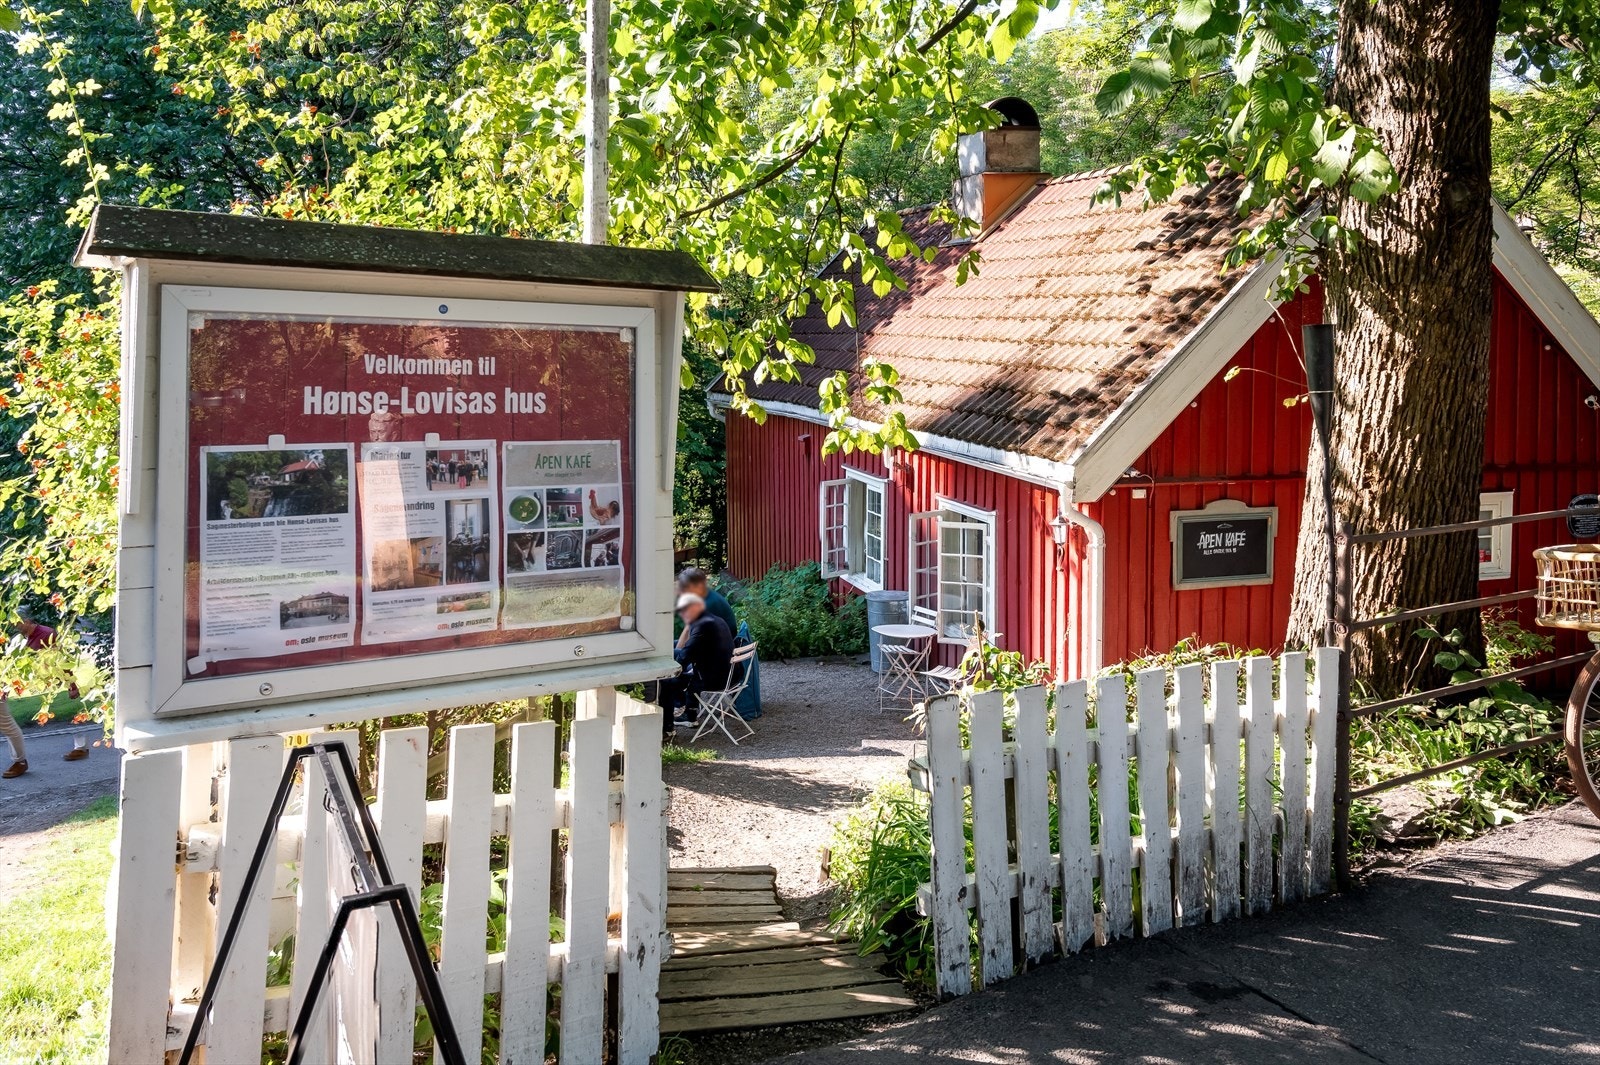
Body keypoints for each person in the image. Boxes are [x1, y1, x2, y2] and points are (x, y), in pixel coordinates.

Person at [656, 593, 732, 740]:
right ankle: (688, 712)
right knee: (675, 652)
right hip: (725, 671)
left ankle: (669, 727)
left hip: (712, 678)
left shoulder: (702, 626)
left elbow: (686, 655)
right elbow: (689, 649)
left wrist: (668, 669)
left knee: (666, 681)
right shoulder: (715, 619)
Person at [677, 567, 737, 640]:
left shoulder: (708, 604)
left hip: (719, 645)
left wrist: (673, 651)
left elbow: (688, 631)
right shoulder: (706, 595)